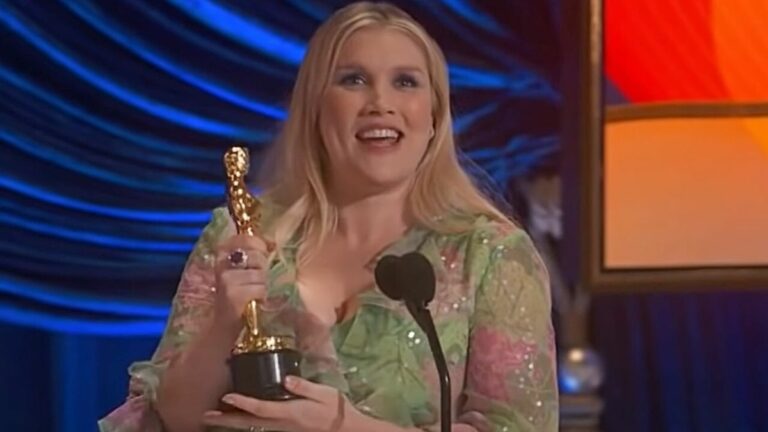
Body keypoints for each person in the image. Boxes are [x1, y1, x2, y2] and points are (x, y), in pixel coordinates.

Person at [99, 2, 558, 431]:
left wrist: (348, 426)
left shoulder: (492, 255)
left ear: (435, 116)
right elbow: (171, 420)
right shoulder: (241, 234)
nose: (381, 102)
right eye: (353, 80)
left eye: (406, 82)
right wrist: (223, 324)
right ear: (317, 109)